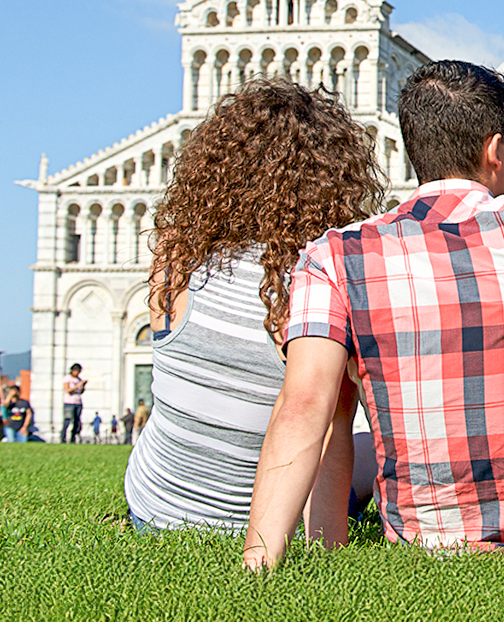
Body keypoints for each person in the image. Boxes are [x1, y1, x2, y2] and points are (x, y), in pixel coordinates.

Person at [244, 61, 504, 568]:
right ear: (496, 151)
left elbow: (306, 404)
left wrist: (260, 559)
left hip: (427, 542)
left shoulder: (334, 257)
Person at [124, 78, 383, 536]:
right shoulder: (315, 285)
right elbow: (328, 432)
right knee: (364, 443)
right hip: (261, 519)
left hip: (152, 510)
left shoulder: (173, 259)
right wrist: (327, 548)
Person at [61, 363, 87, 443]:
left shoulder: (79, 379)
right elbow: (68, 390)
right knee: (67, 420)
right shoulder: (67, 378)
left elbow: (80, 392)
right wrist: (77, 385)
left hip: (78, 402)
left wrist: (83, 386)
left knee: (77, 421)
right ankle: (63, 438)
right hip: (69, 402)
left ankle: (73, 438)